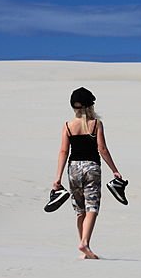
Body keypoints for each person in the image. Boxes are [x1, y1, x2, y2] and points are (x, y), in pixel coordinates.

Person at [52, 87, 123, 259]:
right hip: (92, 168)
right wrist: (114, 170)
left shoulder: (68, 126)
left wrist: (58, 178)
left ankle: (84, 247)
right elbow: (102, 149)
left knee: (80, 209)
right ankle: (84, 243)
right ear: (90, 106)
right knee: (93, 207)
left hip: (73, 169)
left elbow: (63, 151)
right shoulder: (96, 124)